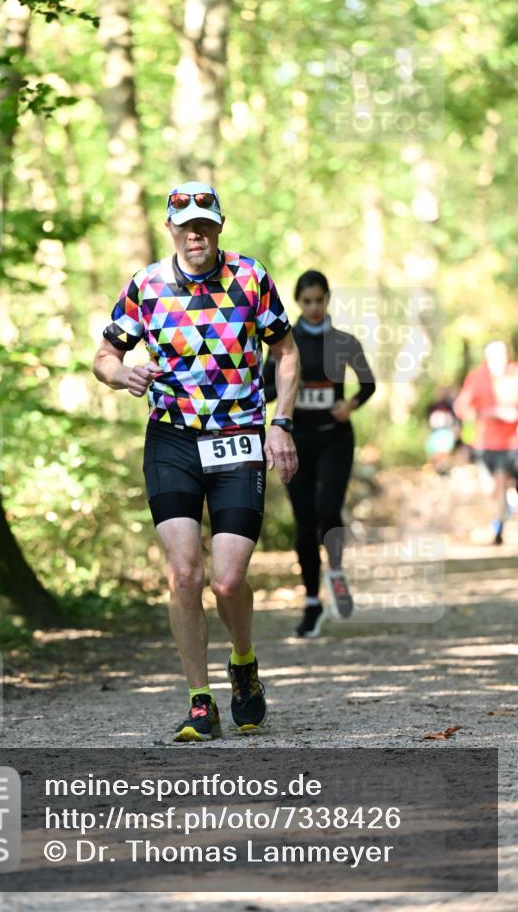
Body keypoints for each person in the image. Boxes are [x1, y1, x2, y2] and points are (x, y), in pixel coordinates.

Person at [93, 181, 299, 742]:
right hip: (173, 439)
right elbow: (105, 354)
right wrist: (120, 373)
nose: (195, 234)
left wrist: (281, 423)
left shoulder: (251, 278)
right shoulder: (147, 285)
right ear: (170, 229)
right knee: (185, 572)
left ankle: (244, 663)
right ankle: (199, 700)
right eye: (185, 226)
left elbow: (285, 351)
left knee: (229, 581)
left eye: (204, 224)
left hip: (238, 437)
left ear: (219, 226)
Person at [265, 270, 376, 638]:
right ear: (299, 302)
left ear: (328, 299)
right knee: (304, 519)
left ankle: (337, 571)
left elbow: (368, 383)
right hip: (296, 441)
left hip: (335, 439)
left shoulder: (343, 341)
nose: (313, 307)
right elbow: (267, 388)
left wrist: (352, 403)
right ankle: (312, 602)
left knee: (328, 509)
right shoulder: (284, 342)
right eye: (307, 301)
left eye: (319, 300)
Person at [453, 341, 518, 545]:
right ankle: (505, 511)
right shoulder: (477, 377)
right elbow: (462, 407)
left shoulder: (514, 374)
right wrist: (483, 413)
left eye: (502, 356)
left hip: (513, 442)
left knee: (501, 484)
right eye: (494, 357)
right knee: (491, 490)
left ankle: (499, 527)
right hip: (485, 443)